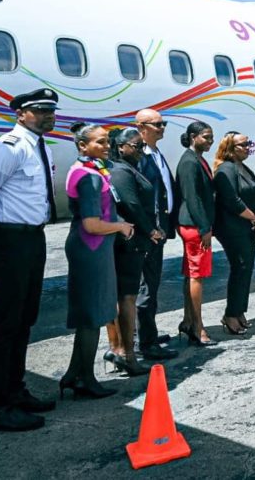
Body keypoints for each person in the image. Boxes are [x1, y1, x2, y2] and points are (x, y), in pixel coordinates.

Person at [0, 88, 60, 431]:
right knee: (6, 324)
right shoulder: (7, 148)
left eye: (51, 110)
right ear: (21, 113)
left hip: (33, 239)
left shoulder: (39, 147)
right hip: (9, 241)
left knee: (24, 319)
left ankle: (16, 391)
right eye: (40, 110)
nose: (49, 115)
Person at [61, 122, 133, 400]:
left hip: (92, 248)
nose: (106, 146)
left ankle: (74, 374)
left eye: (107, 142)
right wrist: (120, 226)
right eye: (99, 142)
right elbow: (92, 224)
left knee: (91, 314)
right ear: (82, 146)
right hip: (91, 248)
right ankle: (85, 379)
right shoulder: (88, 176)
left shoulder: (89, 170)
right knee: (93, 315)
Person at [106, 128, 160, 377]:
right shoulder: (120, 171)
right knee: (126, 298)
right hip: (129, 242)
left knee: (126, 296)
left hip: (135, 240)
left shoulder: (130, 168)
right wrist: (151, 230)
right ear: (121, 148)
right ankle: (126, 353)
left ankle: (122, 350)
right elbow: (131, 205)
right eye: (136, 146)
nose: (141, 151)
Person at [134, 108, 179, 361]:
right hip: (148, 233)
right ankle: (145, 343)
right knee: (145, 289)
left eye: (164, 124)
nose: (162, 128)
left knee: (152, 285)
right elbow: (137, 200)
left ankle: (146, 333)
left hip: (159, 231)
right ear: (141, 127)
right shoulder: (139, 156)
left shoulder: (155, 153)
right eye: (157, 124)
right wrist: (149, 228)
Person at [213, 132, 255, 335]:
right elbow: (232, 200)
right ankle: (230, 315)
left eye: (249, 143)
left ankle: (239, 311)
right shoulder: (225, 169)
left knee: (246, 270)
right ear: (231, 148)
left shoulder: (243, 167)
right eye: (243, 145)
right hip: (233, 229)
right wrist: (253, 217)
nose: (248, 147)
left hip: (248, 227)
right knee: (240, 269)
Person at [176, 121, 217, 346]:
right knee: (197, 277)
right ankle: (197, 328)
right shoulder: (189, 162)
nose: (210, 141)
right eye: (206, 137)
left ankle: (188, 320)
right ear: (193, 137)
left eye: (211, 137)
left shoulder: (197, 159)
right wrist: (204, 228)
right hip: (194, 226)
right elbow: (192, 197)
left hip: (194, 224)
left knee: (191, 274)